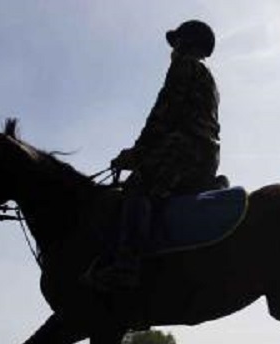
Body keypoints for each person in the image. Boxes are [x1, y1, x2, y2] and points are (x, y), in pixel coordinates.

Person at [85, 20, 223, 291]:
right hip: (205, 153)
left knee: (138, 185)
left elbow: (163, 115)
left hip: (185, 148)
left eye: (177, 43)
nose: (172, 50)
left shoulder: (184, 66)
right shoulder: (206, 76)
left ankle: (126, 267)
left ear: (186, 43)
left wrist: (137, 153)